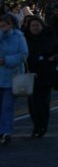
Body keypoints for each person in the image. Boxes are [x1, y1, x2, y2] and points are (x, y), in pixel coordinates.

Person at [23, 15, 58, 138]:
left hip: (46, 73)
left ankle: (42, 126)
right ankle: (36, 125)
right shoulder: (24, 38)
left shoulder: (49, 36)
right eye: (32, 26)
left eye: (37, 25)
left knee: (44, 103)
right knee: (32, 103)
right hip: (30, 73)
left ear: (42, 26)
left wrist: (55, 57)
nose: (35, 28)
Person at [0, 14, 28, 145]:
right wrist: (2, 34)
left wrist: (6, 60)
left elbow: (23, 54)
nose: (3, 27)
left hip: (12, 77)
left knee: (7, 107)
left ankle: (6, 132)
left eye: (5, 25)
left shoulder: (18, 36)